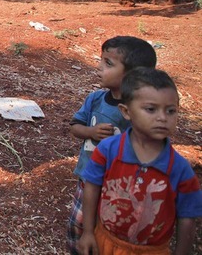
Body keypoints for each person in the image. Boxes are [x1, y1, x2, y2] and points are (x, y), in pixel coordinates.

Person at [76, 68, 202, 255]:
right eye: (151, 109)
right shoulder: (108, 150)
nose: (162, 118)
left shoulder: (179, 169)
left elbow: (187, 218)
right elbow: (92, 186)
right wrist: (87, 232)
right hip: (105, 243)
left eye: (171, 111)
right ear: (126, 112)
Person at [67, 36, 157, 254]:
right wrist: (91, 131)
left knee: (113, 232)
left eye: (108, 63)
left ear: (133, 75)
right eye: (101, 60)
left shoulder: (139, 110)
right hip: (88, 179)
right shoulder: (95, 99)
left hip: (122, 187)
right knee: (78, 225)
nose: (99, 66)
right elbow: (74, 127)